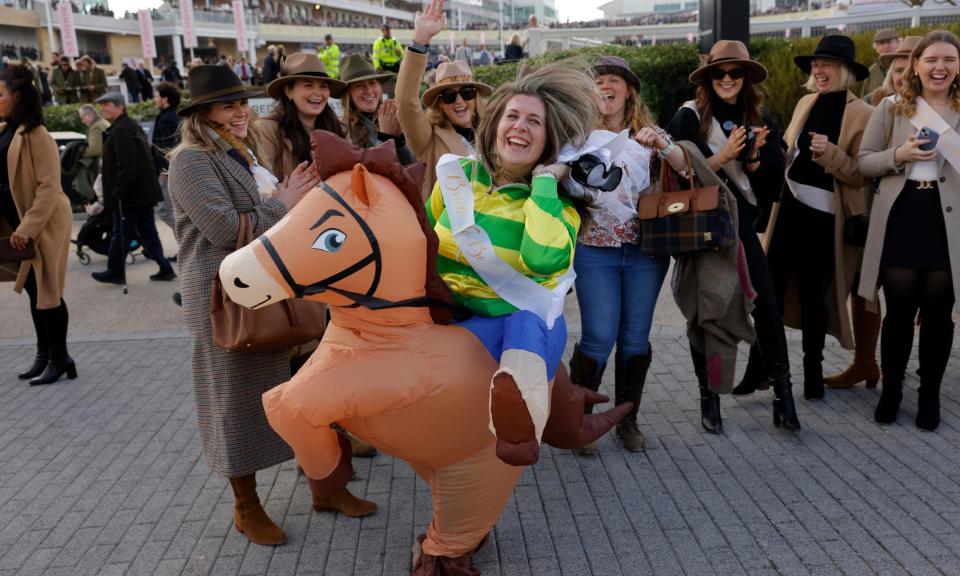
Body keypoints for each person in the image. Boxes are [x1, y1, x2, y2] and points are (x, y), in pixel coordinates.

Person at [168, 66, 376, 546]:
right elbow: (223, 230)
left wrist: (296, 200)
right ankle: (247, 507)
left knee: (309, 392)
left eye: (242, 103)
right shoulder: (190, 161)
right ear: (203, 114)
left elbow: (268, 221)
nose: (240, 112)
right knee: (238, 404)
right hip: (225, 301)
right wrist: (285, 201)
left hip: (270, 290)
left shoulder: (241, 152)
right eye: (228, 105)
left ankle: (327, 488)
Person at [426, 49, 603, 465]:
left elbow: (542, 260)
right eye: (512, 116)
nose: (520, 127)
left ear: (549, 142)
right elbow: (426, 243)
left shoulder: (559, 207)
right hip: (448, 317)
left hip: (512, 326)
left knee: (526, 323)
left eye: (534, 122)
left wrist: (544, 184)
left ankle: (521, 417)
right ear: (494, 125)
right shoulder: (455, 180)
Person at [666, 40, 799, 432]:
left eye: (735, 73)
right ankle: (709, 399)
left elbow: (773, 186)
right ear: (708, 78)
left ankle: (784, 397)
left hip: (740, 224)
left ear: (746, 77)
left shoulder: (760, 117)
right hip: (701, 226)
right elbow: (674, 179)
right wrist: (722, 159)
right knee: (706, 312)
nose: (727, 79)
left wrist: (755, 157)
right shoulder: (688, 117)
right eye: (719, 73)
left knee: (768, 308)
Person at [568, 56, 688, 454]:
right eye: (598, 80)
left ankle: (626, 419)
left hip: (644, 252)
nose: (605, 86)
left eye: (613, 80)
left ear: (628, 90)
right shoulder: (575, 135)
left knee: (635, 338)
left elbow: (688, 170)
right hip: (593, 251)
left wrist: (664, 144)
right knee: (599, 336)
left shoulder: (646, 136)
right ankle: (580, 421)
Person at [763, 35, 875, 402]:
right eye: (815, 65)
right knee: (771, 292)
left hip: (825, 218)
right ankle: (768, 368)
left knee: (814, 297)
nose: (818, 70)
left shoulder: (863, 113)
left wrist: (831, 154)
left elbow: (861, 174)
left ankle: (812, 374)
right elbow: (790, 152)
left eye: (826, 64)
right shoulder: (805, 101)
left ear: (844, 71)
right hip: (788, 213)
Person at [858, 30, 960, 431]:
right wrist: (899, 155)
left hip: (947, 222)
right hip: (901, 217)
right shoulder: (890, 109)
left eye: (949, 59)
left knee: (939, 316)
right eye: (931, 59)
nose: (940, 67)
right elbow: (864, 163)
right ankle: (892, 390)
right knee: (898, 313)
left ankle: (929, 395)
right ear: (915, 65)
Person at [0, 64, 75, 385]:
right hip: (17, 222)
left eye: (0, 94)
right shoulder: (7, 129)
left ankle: (59, 357)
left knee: (47, 292)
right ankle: (45, 355)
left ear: (17, 97)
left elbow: (48, 187)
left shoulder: (37, 134)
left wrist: (27, 227)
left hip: (42, 223)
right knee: (34, 291)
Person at [397, 0, 493, 198]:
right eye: (449, 96)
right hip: (443, 227)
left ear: (475, 97)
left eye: (466, 92)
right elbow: (406, 102)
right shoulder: (428, 138)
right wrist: (420, 40)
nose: (459, 101)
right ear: (439, 103)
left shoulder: (493, 132)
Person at [90, 92, 176, 285]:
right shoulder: (126, 126)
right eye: (101, 106)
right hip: (140, 193)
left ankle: (115, 272)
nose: (103, 109)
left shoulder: (122, 129)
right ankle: (164, 267)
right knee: (147, 232)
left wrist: (117, 192)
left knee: (121, 233)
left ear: (120, 106)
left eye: (107, 105)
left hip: (130, 195)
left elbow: (127, 165)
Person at [255, 52, 346, 182]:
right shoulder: (267, 130)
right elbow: (265, 186)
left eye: (323, 86)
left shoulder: (340, 129)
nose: (318, 93)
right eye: (308, 85)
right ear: (288, 91)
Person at [338, 54, 414, 164]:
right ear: (348, 94)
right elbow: (368, 172)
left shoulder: (394, 119)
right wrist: (385, 136)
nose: (369, 90)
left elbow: (412, 166)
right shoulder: (342, 131)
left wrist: (398, 140)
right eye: (359, 85)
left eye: (372, 83)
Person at [152, 82, 182, 236]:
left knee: (165, 211)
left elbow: (169, 148)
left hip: (169, 172)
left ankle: (186, 243)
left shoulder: (167, 119)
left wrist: (165, 170)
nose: (155, 99)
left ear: (165, 99)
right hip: (173, 171)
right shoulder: (175, 115)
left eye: (157, 96)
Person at [866, 36, 920, 106]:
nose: (905, 76)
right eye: (899, 71)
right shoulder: (875, 100)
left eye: (911, 70)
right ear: (891, 76)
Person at [75, 104, 109, 201]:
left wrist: (78, 154)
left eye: (82, 118)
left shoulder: (96, 127)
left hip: (103, 165)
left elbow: (95, 149)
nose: (82, 121)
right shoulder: (101, 122)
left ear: (88, 115)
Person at [862, 28, 901, 99]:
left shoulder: (906, 65)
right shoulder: (871, 71)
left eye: (889, 42)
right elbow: (864, 98)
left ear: (898, 43)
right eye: (882, 43)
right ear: (876, 47)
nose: (886, 46)